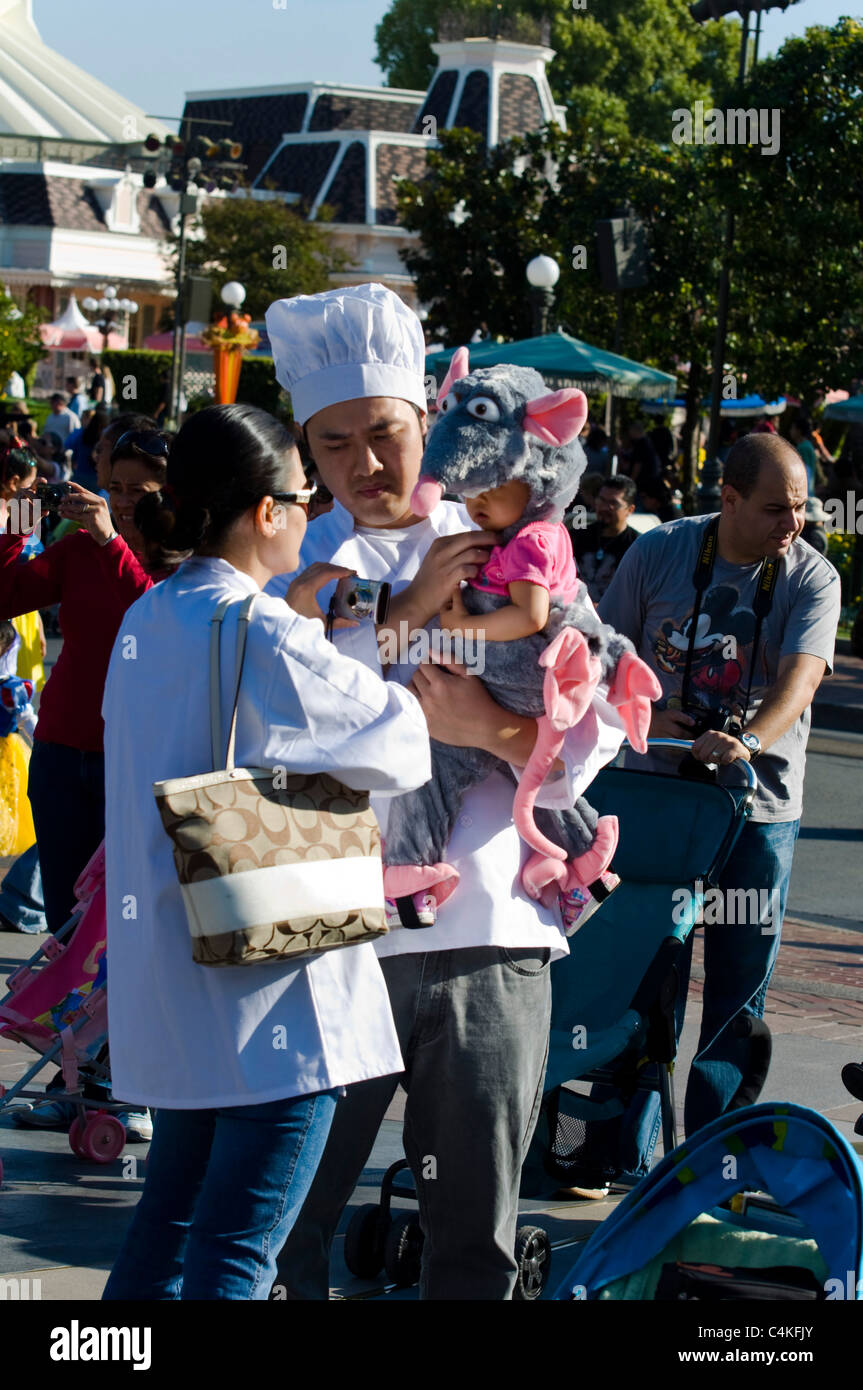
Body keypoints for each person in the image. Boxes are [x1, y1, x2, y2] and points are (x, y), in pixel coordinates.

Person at [266, 282, 595, 1301]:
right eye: (332, 444)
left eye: (383, 432)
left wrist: (487, 730)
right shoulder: (289, 565)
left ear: (430, 420)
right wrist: (400, 624)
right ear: (305, 453)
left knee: (474, 1243)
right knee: (287, 1224)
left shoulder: (515, 545)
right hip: (329, 946)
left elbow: (588, 729)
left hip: (492, 942)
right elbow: (279, 733)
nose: (363, 464)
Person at [101, 403, 429, 1301]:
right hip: (274, 1000)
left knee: (166, 1232)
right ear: (264, 512)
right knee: (238, 1252)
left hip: (173, 991)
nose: (314, 501)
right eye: (301, 489)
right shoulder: (261, 631)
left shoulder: (151, 619)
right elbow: (399, 745)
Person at [595, 431, 840, 1177]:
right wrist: (644, 712)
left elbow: (799, 682)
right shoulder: (659, 551)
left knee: (738, 991)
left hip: (757, 813)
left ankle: (710, 1165)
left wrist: (746, 740)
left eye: (798, 508)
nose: (789, 524)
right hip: (657, 798)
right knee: (642, 972)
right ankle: (614, 1150)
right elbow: (600, 652)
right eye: (773, 509)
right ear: (726, 499)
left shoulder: (812, 577)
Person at [572, 475, 639, 605]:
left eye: (613, 503)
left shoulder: (637, 546)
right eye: (601, 500)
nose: (604, 507)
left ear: (630, 510)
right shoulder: (577, 537)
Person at [789, 415, 824, 496]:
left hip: (805, 493)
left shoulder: (803, 448)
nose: (790, 431)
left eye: (792, 428)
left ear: (799, 430)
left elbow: (806, 471)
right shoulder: (807, 445)